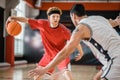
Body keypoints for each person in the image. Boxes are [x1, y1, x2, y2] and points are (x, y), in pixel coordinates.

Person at [28, 4, 120, 80]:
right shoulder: (99, 19)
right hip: (110, 60)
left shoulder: (81, 28)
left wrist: (45, 69)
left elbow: (66, 52)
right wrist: (117, 21)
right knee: (96, 78)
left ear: (73, 16)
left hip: (115, 60)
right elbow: (114, 22)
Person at [6, 7, 84, 80]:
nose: (56, 18)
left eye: (58, 16)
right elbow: (27, 20)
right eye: (54, 16)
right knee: (36, 77)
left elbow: (75, 41)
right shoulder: (42, 24)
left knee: (68, 77)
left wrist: (81, 52)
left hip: (61, 55)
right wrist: (14, 18)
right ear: (49, 17)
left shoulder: (64, 30)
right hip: (48, 56)